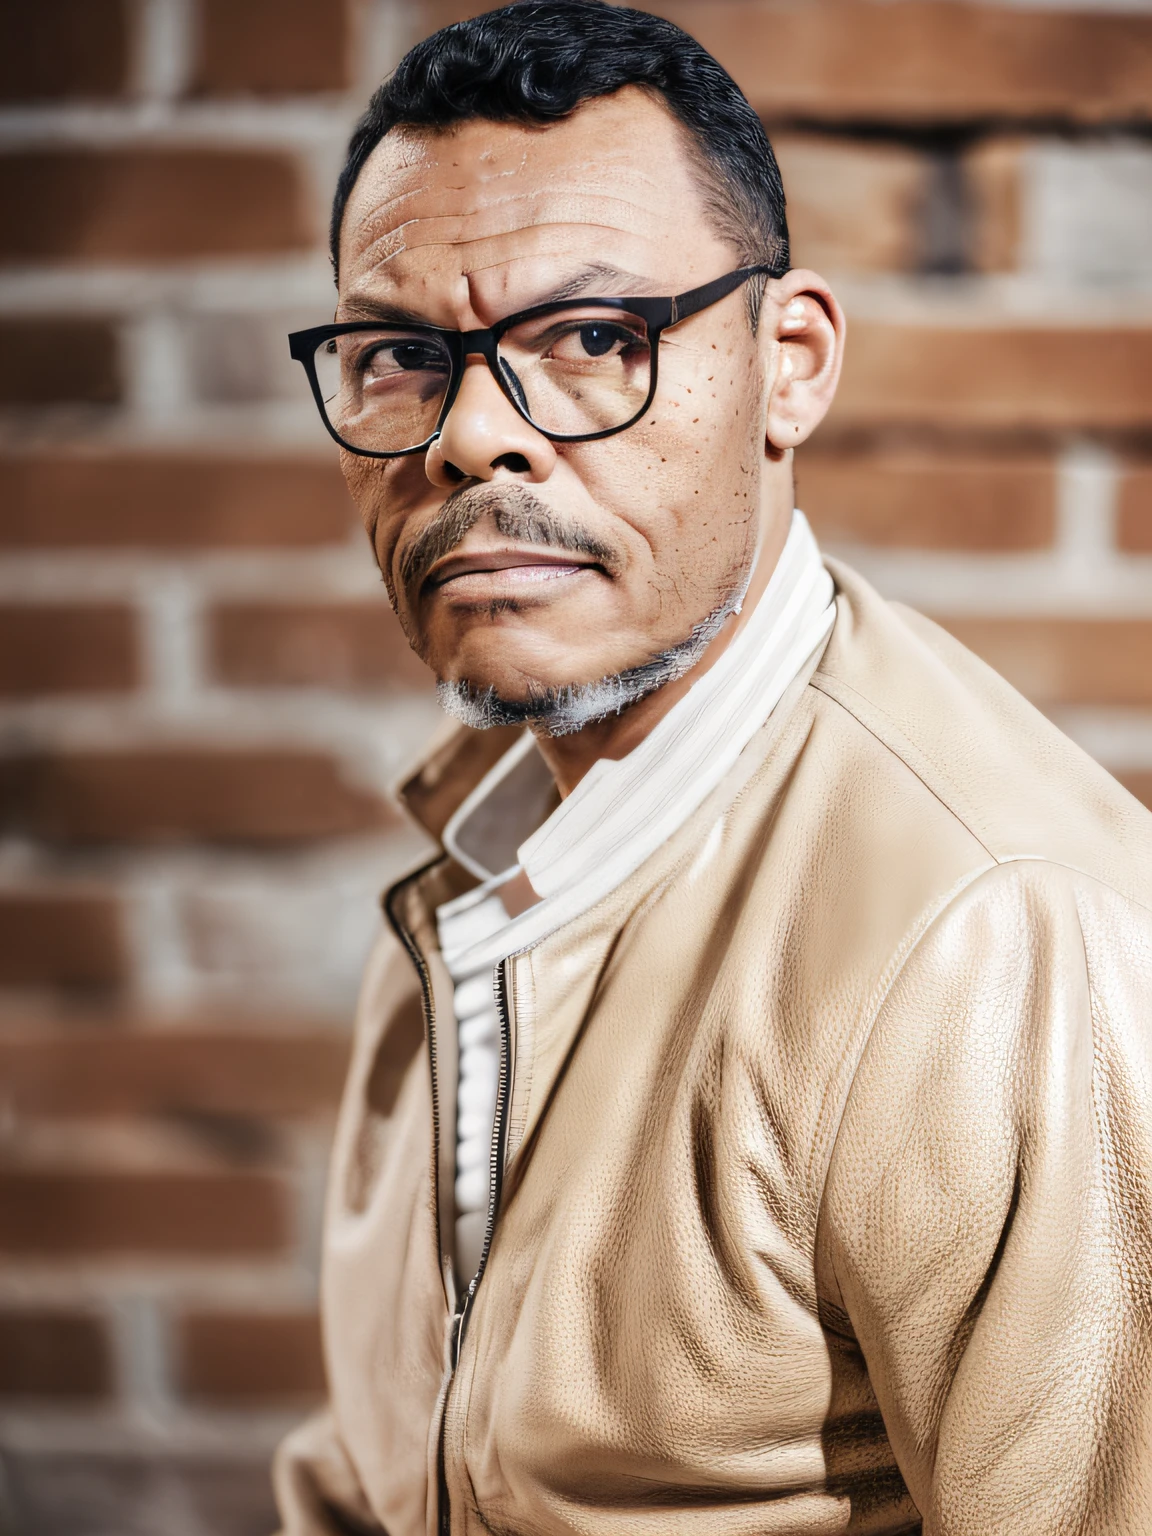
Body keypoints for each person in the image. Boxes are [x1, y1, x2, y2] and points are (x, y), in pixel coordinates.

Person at [275, 3, 1152, 1532]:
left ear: (789, 365)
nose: (476, 434)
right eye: (406, 355)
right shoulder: (477, 856)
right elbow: (369, 1470)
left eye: (595, 338)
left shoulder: (994, 935)